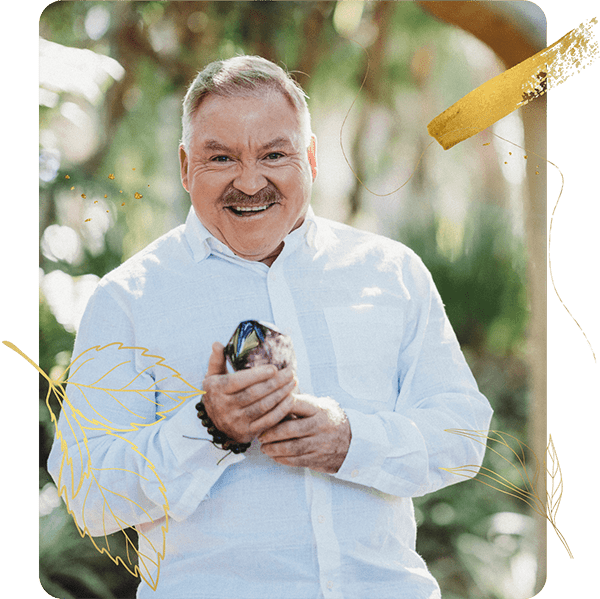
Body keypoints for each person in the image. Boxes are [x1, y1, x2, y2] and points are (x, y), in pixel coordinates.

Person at [48, 56, 493, 599]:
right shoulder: (128, 300)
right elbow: (89, 494)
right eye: (221, 157)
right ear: (186, 167)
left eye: (274, 154)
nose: (250, 181)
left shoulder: (391, 273)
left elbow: (464, 435)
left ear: (308, 158)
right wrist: (210, 428)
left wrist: (351, 440)